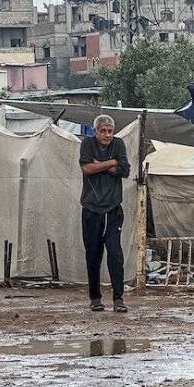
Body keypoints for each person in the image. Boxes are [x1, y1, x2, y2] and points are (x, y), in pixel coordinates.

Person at [79, 114, 131, 313]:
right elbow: (87, 168)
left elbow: (125, 170)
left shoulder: (118, 144)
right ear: (96, 131)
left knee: (115, 253)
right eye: (103, 131)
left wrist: (101, 164)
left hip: (113, 208)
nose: (107, 135)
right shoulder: (87, 144)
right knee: (93, 254)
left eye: (110, 131)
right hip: (91, 208)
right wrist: (111, 163)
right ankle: (95, 298)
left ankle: (118, 298)